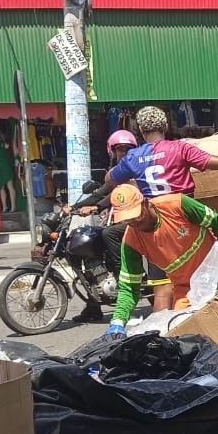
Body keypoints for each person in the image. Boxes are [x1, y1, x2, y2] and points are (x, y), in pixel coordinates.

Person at [104, 184, 218, 335]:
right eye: (128, 220)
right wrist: (118, 321)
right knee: (183, 333)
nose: (135, 223)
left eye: (137, 215)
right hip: (187, 289)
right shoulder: (131, 241)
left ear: (146, 203)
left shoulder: (177, 205)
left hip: (217, 274)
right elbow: (129, 287)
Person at [63, 129, 138, 323]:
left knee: (108, 234)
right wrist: (74, 206)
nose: (123, 153)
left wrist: (96, 206)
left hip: (134, 221)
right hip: (119, 219)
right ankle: (94, 304)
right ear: (112, 151)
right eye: (120, 149)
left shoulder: (135, 170)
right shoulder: (114, 172)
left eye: (127, 149)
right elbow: (100, 192)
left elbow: (114, 196)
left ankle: (124, 281)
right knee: (83, 245)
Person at [106, 105, 218, 199]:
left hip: (154, 218)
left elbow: (109, 180)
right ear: (166, 126)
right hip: (184, 212)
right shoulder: (180, 148)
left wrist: (122, 166)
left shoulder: (132, 157)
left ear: (140, 129)